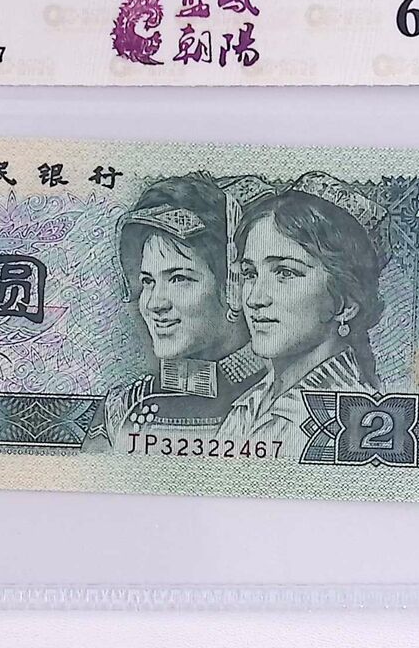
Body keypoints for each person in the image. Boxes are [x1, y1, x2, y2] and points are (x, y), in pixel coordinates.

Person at [87, 172, 271, 449]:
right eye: (148, 281)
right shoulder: (122, 409)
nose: (155, 303)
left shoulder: (283, 402)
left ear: (234, 286)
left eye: (179, 278)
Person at [216, 172, 389, 456]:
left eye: (285, 273)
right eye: (250, 274)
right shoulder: (250, 404)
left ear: (345, 303)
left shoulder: (348, 424)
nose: (255, 298)